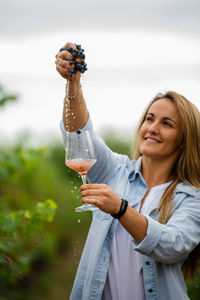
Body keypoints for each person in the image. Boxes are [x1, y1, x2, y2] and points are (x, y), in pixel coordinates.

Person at [55, 42, 200, 300]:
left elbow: (172, 245)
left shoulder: (191, 197)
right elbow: (79, 138)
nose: (152, 128)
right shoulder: (116, 171)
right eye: (149, 118)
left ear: (183, 139)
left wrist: (120, 209)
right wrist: (73, 83)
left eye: (166, 123)